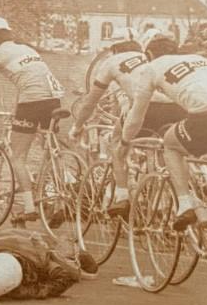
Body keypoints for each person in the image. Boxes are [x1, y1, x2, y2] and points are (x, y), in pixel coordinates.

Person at [123, 29, 207, 234]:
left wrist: (125, 140)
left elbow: (136, 115)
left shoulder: (150, 67)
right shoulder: (200, 60)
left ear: (148, 54)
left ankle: (185, 204)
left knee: (170, 144)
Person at [68, 27, 185, 217]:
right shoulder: (150, 58)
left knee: (116, 144)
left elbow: (91, 101)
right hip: (178, 108)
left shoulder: (111, 62)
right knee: (170, 151)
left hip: (148, 109)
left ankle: (122, 197)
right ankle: (177, 201)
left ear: (114, 48)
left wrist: (78, 126)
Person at [0, 18, 65, 223]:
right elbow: (29, 80)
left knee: (18, 156)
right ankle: (57, 200)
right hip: (54, 100)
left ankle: (29, 207)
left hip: (31, 103)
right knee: (51, 151)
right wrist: (16, 109)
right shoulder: (26, 49)